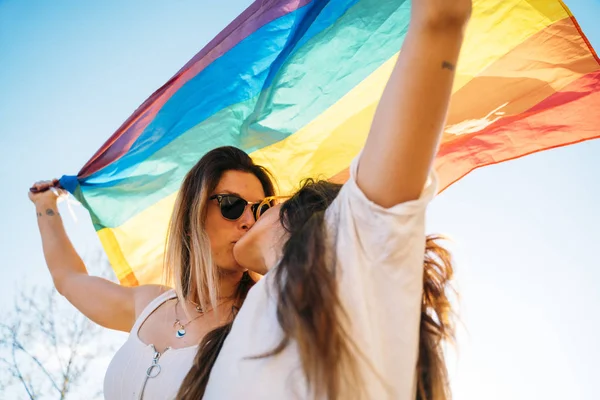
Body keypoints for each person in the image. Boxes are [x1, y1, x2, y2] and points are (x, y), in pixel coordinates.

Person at [181, 0, 472, 398]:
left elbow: (442, 20)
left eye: (264, 206)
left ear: (310, 220)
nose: (249, 218)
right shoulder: (229, 336)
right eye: (234, 206)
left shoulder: (352, 246)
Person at [28, 146, 278, 399]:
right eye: (232, 205)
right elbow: (68, 279)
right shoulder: (149, 304)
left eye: (260, 210)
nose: (249, 220)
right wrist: (45, 205)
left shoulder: (267, 315)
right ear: (193, 216)